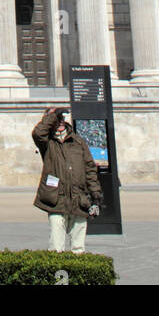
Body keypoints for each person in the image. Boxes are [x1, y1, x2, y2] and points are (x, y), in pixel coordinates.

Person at [32, 107, 103, 255]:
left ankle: (77, 275)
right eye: (57, 119)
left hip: (79, 199)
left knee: (78, 248)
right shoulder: (48, 143)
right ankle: (60, 277)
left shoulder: (77, 141)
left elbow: (89, 168)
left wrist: (95, 193)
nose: (60, 122)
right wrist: (53, 116)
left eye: (62, 119)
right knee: (56, 247)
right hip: (57, 199)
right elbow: (37, 133)